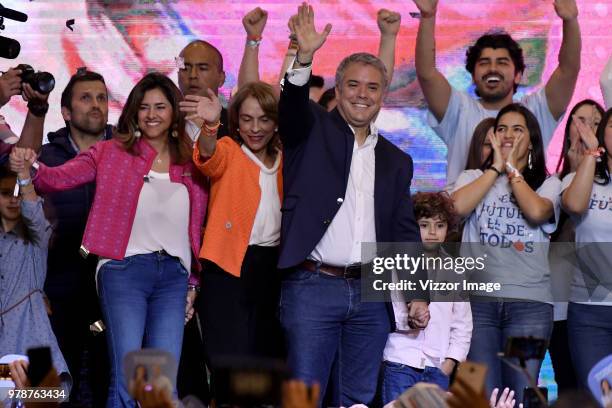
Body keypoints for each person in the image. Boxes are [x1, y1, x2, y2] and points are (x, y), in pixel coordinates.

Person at [12, 72, 208, 407]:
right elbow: (56, 179)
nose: (152, 114)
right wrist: (30, 169)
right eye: (144, 107)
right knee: (128, 379)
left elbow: (197, 226)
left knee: (162, 384)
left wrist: (193, 282)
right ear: (133, 112)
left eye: (161, 106)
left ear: (174, 112)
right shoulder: (111, 152)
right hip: (124, 271)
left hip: (174, 277)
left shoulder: (190, 160)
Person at [278, 3, 429, 405]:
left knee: (359, 399)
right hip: (312, 286)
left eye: (373, 87)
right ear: (339, 89)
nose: (362, 94)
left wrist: (417, 292)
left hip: (370, 294)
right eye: (353, 85)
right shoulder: (311, 130)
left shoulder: (397, 160)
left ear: (383, 94)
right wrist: (304, 56)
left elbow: (404, 231)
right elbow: (290, 107)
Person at [452, 103, 560, 402]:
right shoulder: (472, 176)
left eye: (517, 129)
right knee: (480, 395)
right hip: (477, 305)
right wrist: (496, 168)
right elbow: (456, 209)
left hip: (529, 307)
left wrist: (512, 170)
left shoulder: (549, 183)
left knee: (521, 393)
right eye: (501, 129)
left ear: (532, 139)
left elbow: (537, 212)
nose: (508, 135)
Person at [412, 0, 581, 188]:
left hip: (527, 216)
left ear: (518, 75)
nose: (492, 68)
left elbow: (568, 70)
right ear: (473, 75)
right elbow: (427, 74)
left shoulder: (536, 110)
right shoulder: (459, 109)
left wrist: (570, 21)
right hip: (464, 215)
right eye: (484, 62)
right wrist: (427, 18)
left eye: (502, 62)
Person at [186, 81, 285, 375]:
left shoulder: (287, 159)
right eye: (246, 119)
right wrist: (210, 125)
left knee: (265, 360)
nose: (255, 128)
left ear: (276, 123)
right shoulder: (229, 149)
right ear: (236, 122)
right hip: (228, 266)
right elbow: (207, 157)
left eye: (264, 119)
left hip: (272, 269)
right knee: (228, 358)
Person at [37, 68, 113, 407]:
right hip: (55, 293)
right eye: (86, 98)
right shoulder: (45, 158)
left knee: (105, 382)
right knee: (46, 387)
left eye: (101, 98)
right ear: (66, 112)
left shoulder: (128, 153)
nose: (96, 105)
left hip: (111, 292)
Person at [381, 191, 472, 404]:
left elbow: (463, 324)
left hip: (437, 366)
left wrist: (450, 362)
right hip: (400, 361)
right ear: (412, 227)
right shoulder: (396, 265)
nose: (432, 232)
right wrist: (412, 318)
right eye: (424, 225)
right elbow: (388, 314)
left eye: (440, 225)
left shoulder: (455, 271)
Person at [0, 162, 71, 393]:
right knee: (5, 399)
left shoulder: (37, 235)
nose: (13, 199)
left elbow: (33, 213)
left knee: (41, 400)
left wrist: (24, 178)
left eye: (18, 194)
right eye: (5, 193)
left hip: (32, 328)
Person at [548, 99, 603, 393]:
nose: (587, 129)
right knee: (572, 388)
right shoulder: (553, 182)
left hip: (598, 302)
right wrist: (575, 171)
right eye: (580, 121)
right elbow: (556, 235)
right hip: (559, 305)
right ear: (569, 129)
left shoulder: (604, 184)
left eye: (596, 122)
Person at [561, 108, 612, 388]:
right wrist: (592, 154)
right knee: (600, 398)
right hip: (590, 312)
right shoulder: (580, 178)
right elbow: (574, 205)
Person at [177, 40, 229, 141]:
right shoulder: (166, 122)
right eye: (185, 69)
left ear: (221, 78)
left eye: (202, 68)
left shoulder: (234, 123)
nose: (192, 75)